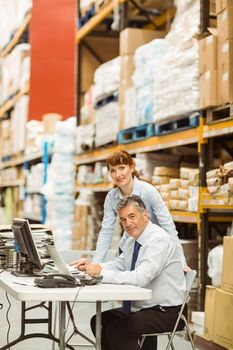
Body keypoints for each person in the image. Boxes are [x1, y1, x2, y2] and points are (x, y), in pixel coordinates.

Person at [77, 195, 186, 350]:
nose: (127, 223)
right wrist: (93, 267)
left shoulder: (158, 240)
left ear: (145, 215)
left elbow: (140, 278)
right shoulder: (132, 239)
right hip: (144, 307)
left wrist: (101, 273)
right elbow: (119, 264)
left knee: (118, 331)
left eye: (132, 216)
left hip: (166, 311)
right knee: (99, 321)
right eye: (123, 220)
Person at [74, 150, 185, 265]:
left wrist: (181, 260)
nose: (117, 174)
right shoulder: (112, 198)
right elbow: (106, 232)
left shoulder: (148, 191)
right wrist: (96, 263)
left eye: (122, 168)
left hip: (154, 246)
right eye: (113, 170)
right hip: (129, 247)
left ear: (131, 167)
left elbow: (168, 225)